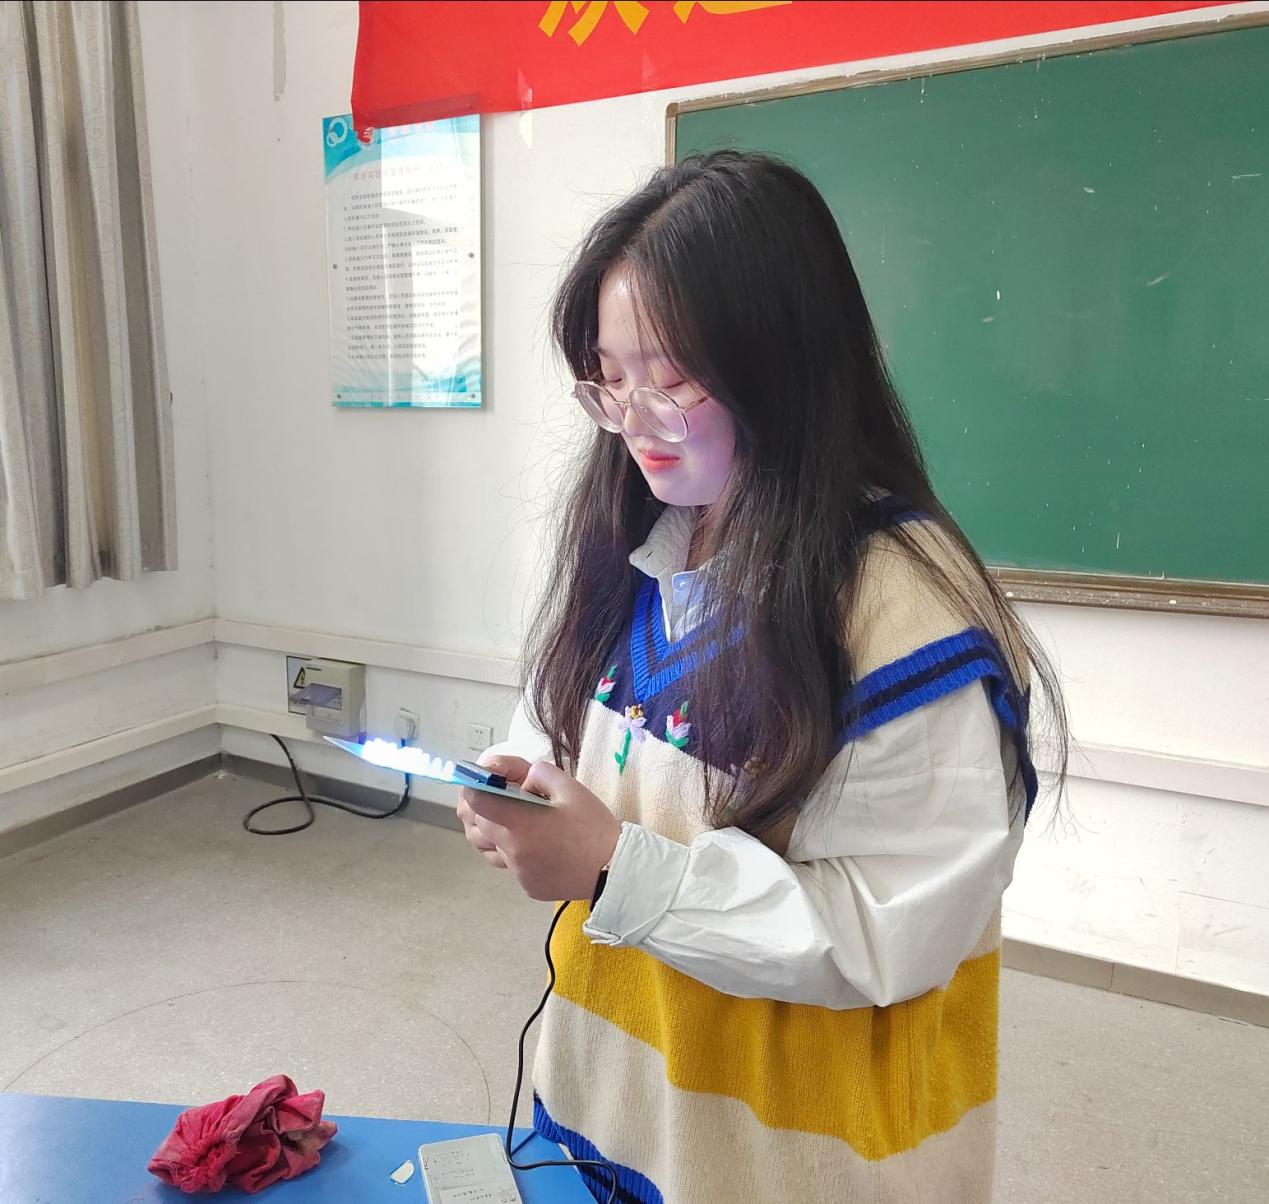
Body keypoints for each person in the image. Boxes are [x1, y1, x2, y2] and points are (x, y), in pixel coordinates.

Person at [457, 150, 1063, 1204]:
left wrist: (611, 869)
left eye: (672, 377)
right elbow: (572, 728)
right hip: (625, 1106)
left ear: (780, 363)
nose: (632, 418)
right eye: (609, 376)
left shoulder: (905, 623)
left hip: (794, 1160)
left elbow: (882, 935)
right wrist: (521, 786)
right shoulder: (637, 534)